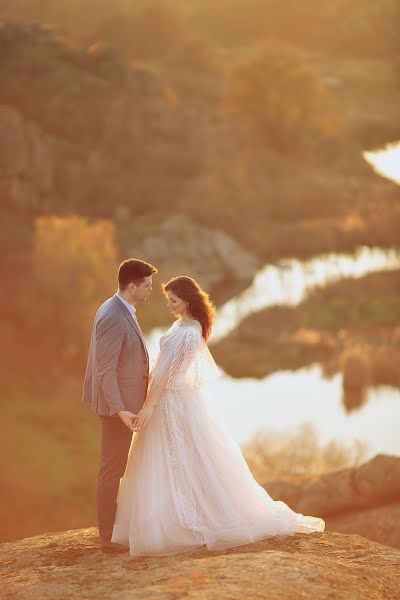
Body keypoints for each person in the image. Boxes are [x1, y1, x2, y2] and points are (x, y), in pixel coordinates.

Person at [111, 276, 325, 556]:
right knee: (168, 458)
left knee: (188, 456)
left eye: (173, 300)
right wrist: (146, 386)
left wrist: (151, 403)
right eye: (168, 300)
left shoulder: (190, 333)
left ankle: (192, 519)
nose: (169, 305)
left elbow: (170, 374)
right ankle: (169, 516)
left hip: (174, 402)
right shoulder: (181, 325)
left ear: (187, 300)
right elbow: (162, 366)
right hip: (168, 398)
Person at [82, 258, 157, 554]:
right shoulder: (113, 315)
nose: (151, 289)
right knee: (112, 468)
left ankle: (112, 530)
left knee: (116, 466)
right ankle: (107, 536)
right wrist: (120, 410)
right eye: (147, 285)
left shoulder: (121, 308)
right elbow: (105, 370)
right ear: (131, 286)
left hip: (124, 404)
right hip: (117, 408)